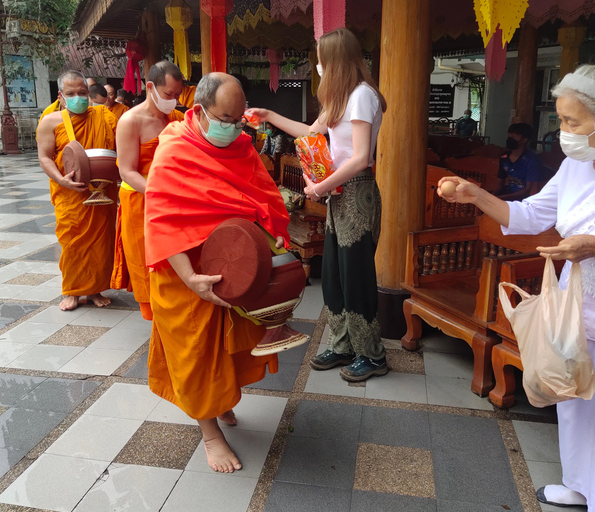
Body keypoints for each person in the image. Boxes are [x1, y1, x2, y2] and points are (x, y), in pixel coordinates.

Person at [437, 62, 595, 512]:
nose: (562, 131)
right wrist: (475, 195)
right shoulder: (578, 163)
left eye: (572, 122)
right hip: (577, 316)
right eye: (561, 119)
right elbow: (532, 214)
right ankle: (582, 485)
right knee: (580, 411)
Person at [144, 73, 290, 473]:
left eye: (239, 119)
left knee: (228, 348)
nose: (233, 127)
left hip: (230, 269)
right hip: (185, 273)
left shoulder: (241, 146)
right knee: (194, 353)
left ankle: (219, 400)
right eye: (225, 118)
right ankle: (210, 434)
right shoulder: (174, 149)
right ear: (201, 110)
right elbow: (160, 219)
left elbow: (264, 199)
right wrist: (191, 279)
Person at [248, 28, 388, 382]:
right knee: (334, 277)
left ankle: (372, 355)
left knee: (356, 276)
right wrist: (269, 115)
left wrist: (319, 187)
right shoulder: (341, 99)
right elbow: (310, 132)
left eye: (321, 60)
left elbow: (359, 159)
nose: (319, 66)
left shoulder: (362, 97)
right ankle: (343, 345)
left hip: (356, 192)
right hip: (338, 194)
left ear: (335, 60)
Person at [36, 70, 118, 311]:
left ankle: (94, 289)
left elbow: (117, 149)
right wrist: (61, 180)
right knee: (72, 242)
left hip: (102, 190)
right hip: (70, 194)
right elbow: (44, 157)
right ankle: (72, 290)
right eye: (71, 94)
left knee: (100, 242)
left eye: (82, 93)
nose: (78, 98)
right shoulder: (50, 122)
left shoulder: (103, 115)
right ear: (61, 96)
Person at [111, 61, 185, 320]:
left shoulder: (176, 118)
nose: (173, 101)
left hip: (174, 199)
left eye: (177, 95)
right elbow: (127, 171)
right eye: (168, 95)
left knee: (177, 258)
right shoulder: (130, 121)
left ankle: (176, 314)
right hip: (141, 199)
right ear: (150, 87)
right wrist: (159, 193)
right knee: (146, 260)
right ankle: (154, 318)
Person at [495, 123, 545, 200]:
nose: (511, 138)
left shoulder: (531, 160)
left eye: (514, 136)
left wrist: (501, 198)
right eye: (510, 135)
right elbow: (499, 183)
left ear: (524, 140)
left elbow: (528, 190)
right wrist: (492, 197)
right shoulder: (504, 157)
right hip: (507, 195)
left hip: (523, 200)